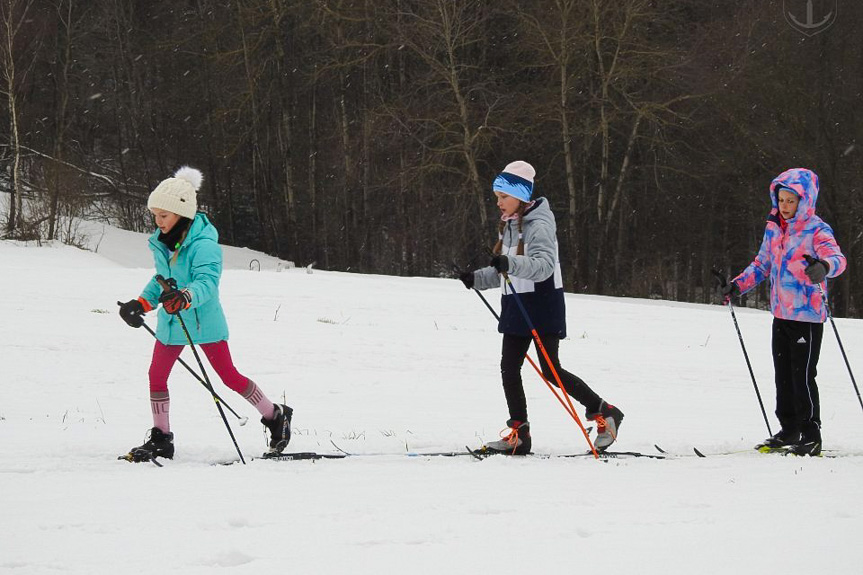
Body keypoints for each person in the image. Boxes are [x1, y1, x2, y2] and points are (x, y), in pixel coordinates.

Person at [118, 166, 292, 461]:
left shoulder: (204, 245)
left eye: (164, 215)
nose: (157, 222)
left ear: (181, 214)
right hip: (173, 323)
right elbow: (160, 279)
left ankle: (275, 415)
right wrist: (141, 303)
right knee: (156, 376)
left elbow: (207, 283)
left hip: (203, 321)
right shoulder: (163, 242)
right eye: (155, 215)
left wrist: (185, 297)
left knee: (228, 377)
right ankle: (162, 438)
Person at [459, 160, 623, 455]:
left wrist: (509, 263)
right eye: (496, 196)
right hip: (516, 304)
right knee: (509, 367)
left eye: (503, 197)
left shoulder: (540, 225)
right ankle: (519, 434)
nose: (498, 203)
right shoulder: (509, 225)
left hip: (542, 304)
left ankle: (605, 411)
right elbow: (504, 271)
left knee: (550, 369)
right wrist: (476, 278)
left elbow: (543, 267)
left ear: (521, 197)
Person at [722, 167, 845, 456]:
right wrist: (737, 286)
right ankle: (789, 429)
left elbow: (837, 258)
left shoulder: (817, 229)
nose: (786, 206)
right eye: (782, 200)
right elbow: (762, 264)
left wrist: (823, 267)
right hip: (781, 314)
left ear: (805, 201)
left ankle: (811, 434)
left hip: (807, 317)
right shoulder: (774, 227)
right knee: (783, 376)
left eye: (792, 201)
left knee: (802, 376)